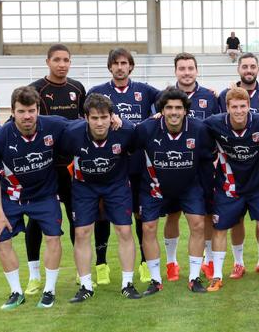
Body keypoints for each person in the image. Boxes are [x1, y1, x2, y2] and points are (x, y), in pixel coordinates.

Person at [26, 44, 112, 294]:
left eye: (66, 60)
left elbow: (87, 120)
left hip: (70, 166)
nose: (62, 64)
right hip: (43, 167)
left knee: (79, 218)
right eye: (57, 60)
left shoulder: (77, 88)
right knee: (36, 219)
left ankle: (80, 270)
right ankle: (33, 276)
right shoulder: (36, 89)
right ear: (47, 62)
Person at [0, 86, 69, 309]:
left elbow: (84, 124)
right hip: (10, 198)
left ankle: (49, 291)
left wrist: (115, 119)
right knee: (2, 239)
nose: (27, 116)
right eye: (21, 111)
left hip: (44, 195)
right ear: (13, 111)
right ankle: (16, 292)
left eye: (31, 110)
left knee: (53, 238)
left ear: (38, 110)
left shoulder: (54, 125)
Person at [88, 48, 160, 285]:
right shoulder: (97, 92)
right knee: (103, 215)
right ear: (110, 67)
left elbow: (171, 99)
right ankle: (101, 264)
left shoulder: (145, 90)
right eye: (115, 63)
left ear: (131, 66)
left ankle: (143, 263)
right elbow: (84, 120)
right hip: (108, 164)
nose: (120, 67)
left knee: (140, 215)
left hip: (137, 162)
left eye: (124, 63)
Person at [134, 87, 215, 294]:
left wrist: (208, 194)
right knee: (148, 227)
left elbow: (206, 162)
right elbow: (133, 157)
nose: (174, 112)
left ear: (186, 110)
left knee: (197, 224)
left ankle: (194, 277)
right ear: (161, 110)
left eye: (178, 107)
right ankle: (155, 280)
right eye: (169, 107)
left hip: (189, 186)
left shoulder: (199, 129)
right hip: (155, 187)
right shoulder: (146, 129)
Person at [61, 94, 141, 302]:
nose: (99, 122)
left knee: (124, 230)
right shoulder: (72, 133)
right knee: (81, 233)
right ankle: (86, 286)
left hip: (116, 186)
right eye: (94, 117)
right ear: (85, 117)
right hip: (84, 187)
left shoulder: (126, 131)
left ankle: (127, 283)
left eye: (104, 117)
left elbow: (139, 142)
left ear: (112, 117)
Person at [203, 88, 259, 292]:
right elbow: (192, 125)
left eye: (242, 106)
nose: (239, 111)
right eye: (234, 107)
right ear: (227, 108)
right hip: (228, 187)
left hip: (258, 186)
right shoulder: (215, 123)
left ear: (249, 106)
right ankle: (217, 275)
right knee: (220, 228)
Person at [218, 53, 259, 279]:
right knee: (236, 218)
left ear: (258, 69)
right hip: (235, 166)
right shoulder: (226, 94)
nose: (249, 70)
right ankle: (238, 262)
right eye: (244, 66)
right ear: (238, 69)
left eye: (252, 66)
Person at [170, 52, 219, 281]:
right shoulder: (166, 97)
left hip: (204, 166)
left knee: (206, 215)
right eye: (182, 68)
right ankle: (171, 263)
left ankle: (208, 261)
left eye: (190, 68)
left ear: (196, 71)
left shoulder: (210, 97)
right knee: (173, 214)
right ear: (176, 71)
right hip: (174, 167)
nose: (186, 72)